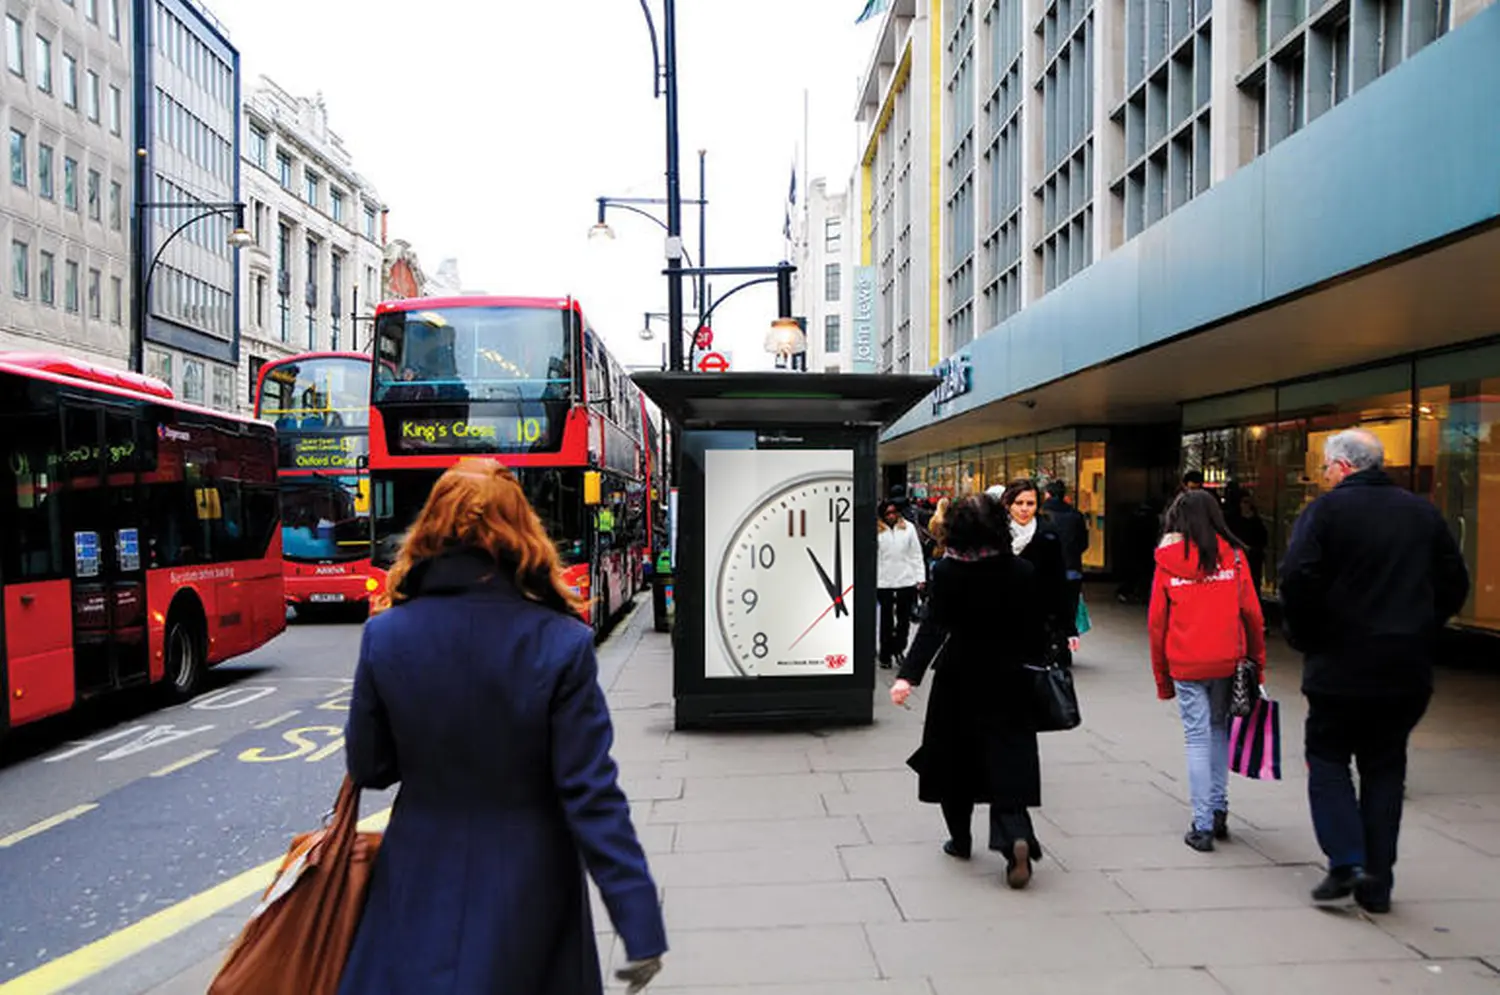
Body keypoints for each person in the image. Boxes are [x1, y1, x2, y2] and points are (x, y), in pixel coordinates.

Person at [340, 458, 666, 995]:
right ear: (523, 533)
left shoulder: (386, 637)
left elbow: (369, 767)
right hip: (531, 890)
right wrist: (638, 920)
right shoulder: (561, 641)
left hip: (417, 880)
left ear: (430, 530)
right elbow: (591, 794)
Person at [1279, 429, 1469, 914]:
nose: (1323, 477)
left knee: (1327, 757)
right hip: (1406, 665)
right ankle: (1377, 882)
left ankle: (1346, 859)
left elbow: (1297, 577)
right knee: (1385, 766)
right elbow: (1454, 581)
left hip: (1339, 662)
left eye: (1324, 468)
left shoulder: (1324, 513)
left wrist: (1304, 634)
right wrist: (1423, 625)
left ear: (1342, 467)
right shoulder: (1422, 513)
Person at [890, 495, 1049, 889]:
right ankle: (1015, 837)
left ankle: (960, 840)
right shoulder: (1023, 571)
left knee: (952, 758)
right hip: (1010, 678)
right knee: (1009, 757)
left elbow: (932, 627)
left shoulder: (946, 572)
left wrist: (907, 676)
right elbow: (1037, 630)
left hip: (958, 677)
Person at [1148, 489, 1266, 852]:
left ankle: (1201, 825)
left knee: (1196, 739)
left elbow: (1156, 623)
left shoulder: (1167, 561)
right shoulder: (1234, 558)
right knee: (1218, 731)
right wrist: (1257, 664)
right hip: (1226, 659)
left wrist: (1162, 676)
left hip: (1185, 661)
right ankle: (1218, 809)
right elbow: (1252, 615)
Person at [991, 480, 1079, 665]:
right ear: (1008, 504)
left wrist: (1068, 628)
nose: (1024, 509)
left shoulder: (1048, 534)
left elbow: (1059, 583)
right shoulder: (994, 535)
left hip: (1039, 622)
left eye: (1030, 503)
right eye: (1019, 503)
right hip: (999, 620)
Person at [1041, 481, 1090, 662]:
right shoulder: (1075, 515)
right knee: (1069, 609)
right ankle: (1064, 648)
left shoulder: (1042, 515)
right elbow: (1084, 543)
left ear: (1047, 494)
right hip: (1072, 569)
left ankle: (1051, 648)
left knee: (1048, 609)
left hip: (1048, 570)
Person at [877, 500, 926, 669]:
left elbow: (916, 554)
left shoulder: (908, 528)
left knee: (904, 620)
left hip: (906, 580)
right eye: (887, 513)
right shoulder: (876, 530)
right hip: (883, 581)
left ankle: (899, 649)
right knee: (886, 620)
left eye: (893, 512)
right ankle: (885, 653)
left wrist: (920, 578)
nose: (891, 516)